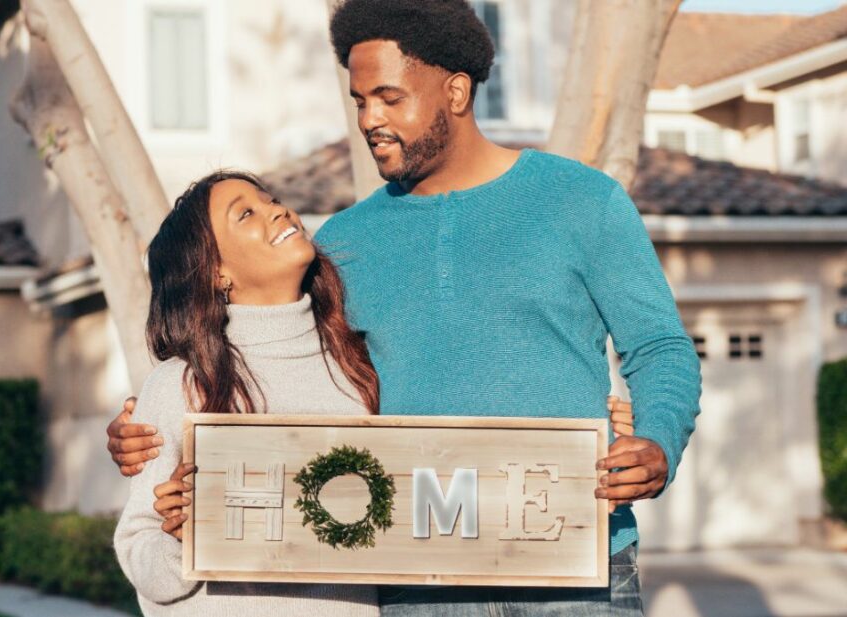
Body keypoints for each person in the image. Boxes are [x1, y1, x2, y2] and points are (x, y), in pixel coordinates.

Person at [111, 0, 702, 615]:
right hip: (413, 573)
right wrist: (148, 432)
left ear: (455, 90)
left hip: (575, 560)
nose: (370, 118)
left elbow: (659, 347)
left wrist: (657, 441)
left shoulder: (583, 201)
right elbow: (275, 361)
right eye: (360, 100)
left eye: (389, 97)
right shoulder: (339, 243)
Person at [113, 171, 380, 617]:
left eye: (271, 198)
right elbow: (141, 555)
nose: (278, 209)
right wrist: (183, 539)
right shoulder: (182, 384)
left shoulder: (358, 368)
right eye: (246, 213)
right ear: (218, 272)